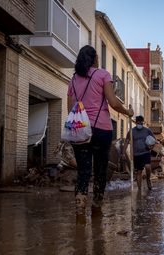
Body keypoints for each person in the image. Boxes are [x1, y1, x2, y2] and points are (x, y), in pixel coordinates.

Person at [67, 45, 134, 215]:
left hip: (79, 131)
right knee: (100, 168)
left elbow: (71, 109)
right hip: (101, 129)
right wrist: (127, 112)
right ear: (96, 59)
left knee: (83, 170)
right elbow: (113, 103)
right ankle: (96, 204)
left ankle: (80, 207)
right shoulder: (103, 75)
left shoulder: (73, 79)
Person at [122, 116, 156, 190]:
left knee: (147, 166)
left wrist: (152, 146)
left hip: (146, 152)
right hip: (136, 154)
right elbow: (126, 142)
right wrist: (123, 153)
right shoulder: (131, 131)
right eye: (138, 123)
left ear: (143, 122)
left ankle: (148, 179)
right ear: (136, 122)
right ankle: (139, 189)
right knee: (138, 172)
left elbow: (154, 139)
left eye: (141, 123)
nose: (140, 125)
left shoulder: (147, 131)